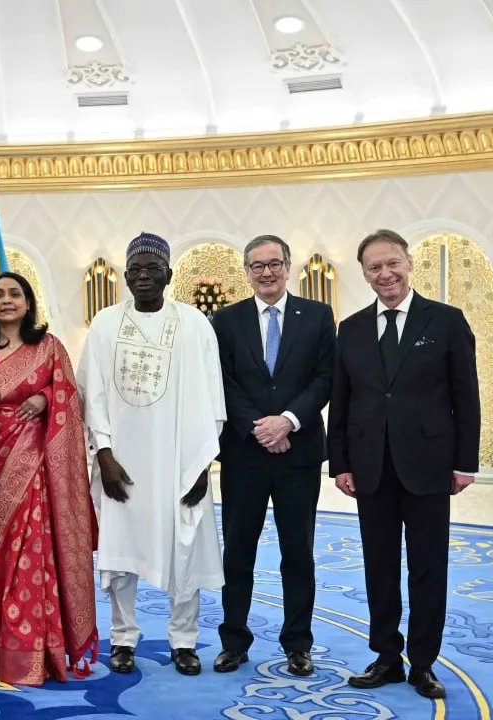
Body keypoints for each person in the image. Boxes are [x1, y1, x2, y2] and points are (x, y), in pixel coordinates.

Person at [328, 229, 480, 700]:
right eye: (374, 267)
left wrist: (465, 463)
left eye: (392, 263)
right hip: (370, 466)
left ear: (409, 263)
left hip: (429, 465)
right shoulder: (351, 328)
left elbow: (466, 396)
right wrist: (340, 462)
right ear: (364, 274)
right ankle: (387, 657)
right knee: (379, 566)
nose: (385, 274)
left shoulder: (446, 320)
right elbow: (341, 399)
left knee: (428, 566)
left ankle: (425, 663)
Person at [78, 231, 226, 677]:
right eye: (136, 269)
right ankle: (123, 637)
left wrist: (202, 464)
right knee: (121, 552)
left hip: (180, 460)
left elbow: (212, 395)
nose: (144, 275)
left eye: (153, 268)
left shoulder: (195, 324)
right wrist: (103, 455)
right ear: (125, 277)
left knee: (185, 548)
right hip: (122, 462)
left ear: (169, 274)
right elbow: (92, 393)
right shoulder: (105, 323)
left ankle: (184, 640)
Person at [211, 235, 335, 677]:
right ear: (246, 272)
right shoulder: (226, 320)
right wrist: (258, 427)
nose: (266, 272)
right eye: (257, 265)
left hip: (298, 455)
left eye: (274, 263)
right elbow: (223, 381)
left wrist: (287, 420)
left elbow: (325, 377)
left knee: (297, 553)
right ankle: (234, 642)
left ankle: (297, 644)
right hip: (244, 455)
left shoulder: (318, 315)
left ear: (288, 266)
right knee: (237, 553)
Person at [0, 272, 97, 686]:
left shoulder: (49, 347)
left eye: (15, 294)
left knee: (34, 553)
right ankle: (1, 647)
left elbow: (70, 394)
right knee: (1, 559)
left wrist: (46, 397)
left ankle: (39, 650)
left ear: (28, 303)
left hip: (37, 464)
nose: (7, 300)